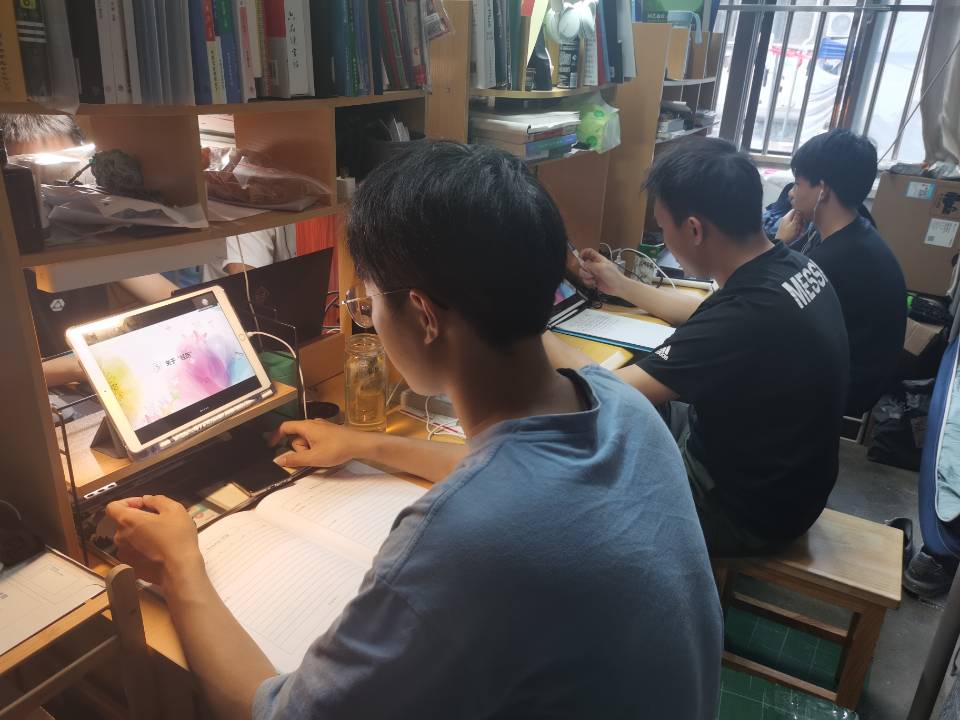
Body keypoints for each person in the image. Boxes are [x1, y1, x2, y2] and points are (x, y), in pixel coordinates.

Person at [106, 142, 723, 720]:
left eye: (371, 296)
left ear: (424, 315)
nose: (371, 314)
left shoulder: (461, 536)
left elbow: (279, 713)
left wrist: (180, 566)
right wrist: (365, 444)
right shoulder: (622, 406)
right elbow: (520, 476)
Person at [546, 138, 850, 557]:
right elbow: (704, 313)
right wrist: (622, 284)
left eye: (663, 227)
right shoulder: (790, 265)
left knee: (573, 477)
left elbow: (606, 389)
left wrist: (530, 329)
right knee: (647, 413)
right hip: (790, 484)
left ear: (693, 229)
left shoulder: (746, 316)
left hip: (745, 513)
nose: (664, 238)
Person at [0, 114, 177, 386]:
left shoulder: (89, 242)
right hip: (39, 398)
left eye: (64, 177)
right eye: (35, 183)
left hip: (101, 375)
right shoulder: (12, 263)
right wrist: (79, 366)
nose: (54, 197)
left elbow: (170, 297)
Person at [777, 129, 907, 417]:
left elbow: (768, 307)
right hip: (857, 375)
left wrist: (778, 245)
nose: (791, 194)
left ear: (822, 190)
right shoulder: (858, 229)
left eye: (797, 183)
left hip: (842, 390)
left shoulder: (835, 261)